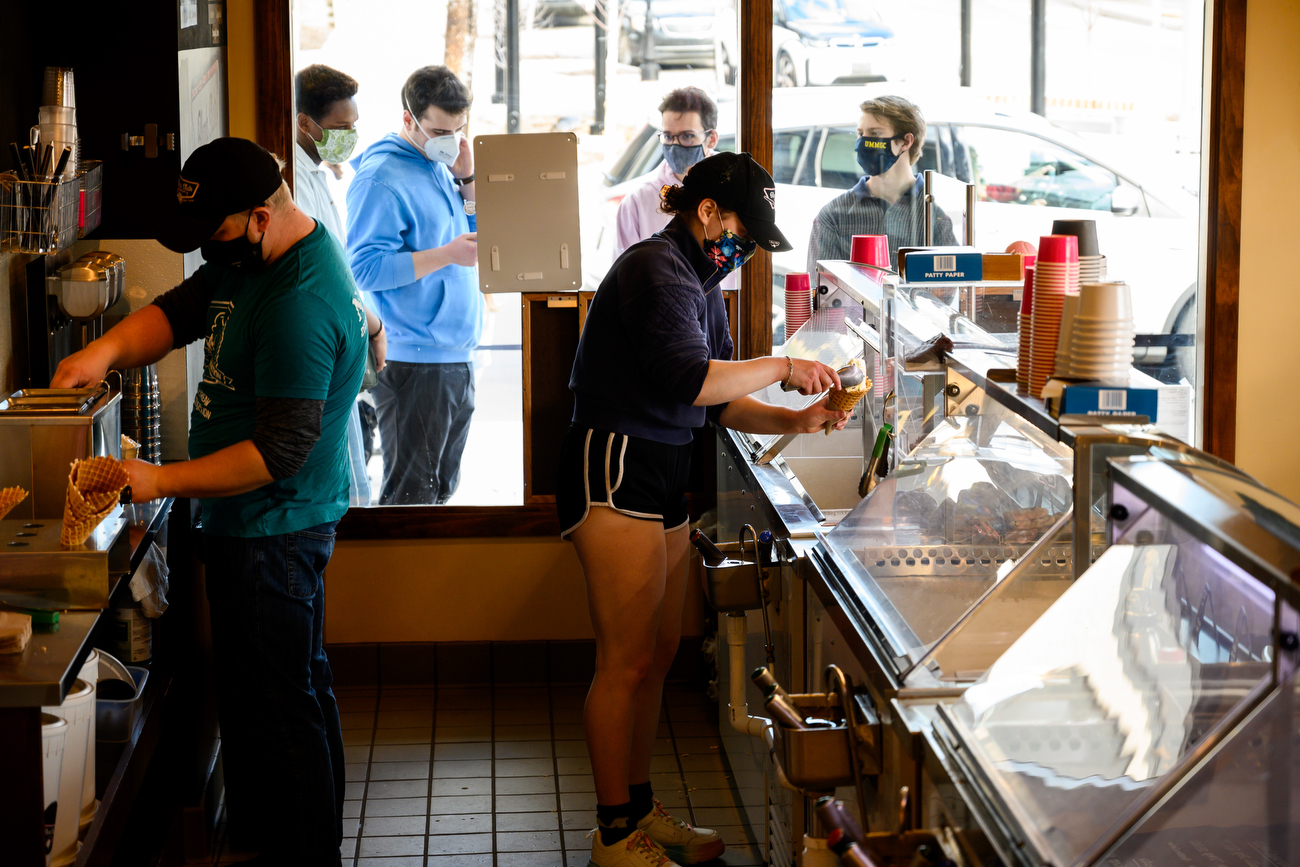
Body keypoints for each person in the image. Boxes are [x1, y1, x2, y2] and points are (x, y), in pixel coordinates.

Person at [51, 138, 366, 867]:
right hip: (258, 526)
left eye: (217, 234)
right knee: (292, 693)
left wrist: (158, 480)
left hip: (274, 530)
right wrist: (101, 353)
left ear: (261, 215)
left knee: (281, 710)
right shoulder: (247, 261)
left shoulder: (298, 301)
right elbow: (182, 310)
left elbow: (275, 452)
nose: (208, 253)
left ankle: (305, 854)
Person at [561, 151, 848, 867]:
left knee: (657, 654)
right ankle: (612, 833)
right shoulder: (656, 268)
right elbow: (692, 379)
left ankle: (637, 806)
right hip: (616, 465)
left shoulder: (699, 279)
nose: (744, 249)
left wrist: (798, 421)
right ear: (708, 213)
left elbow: (718, 398)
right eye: (743, 232)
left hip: (665, 469)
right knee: (623, 658)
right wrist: (784, 364)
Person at [346, 65, 481, 505]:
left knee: (440, 491)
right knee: (411, 498)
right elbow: (364, 268)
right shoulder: (381, 178)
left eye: (459, 130)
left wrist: (467, 181)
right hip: (415, 360)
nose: (452, 141)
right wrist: (445, 255)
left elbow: (474, 240)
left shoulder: (438, 164)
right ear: (408, 119)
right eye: (440, 130)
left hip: (455, 356)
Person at [294, 62, 386, 506]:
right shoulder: (291, 182)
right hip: (320, 351)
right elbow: (322, 274)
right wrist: (371, 324)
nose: (349, 135)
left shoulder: (316, 172)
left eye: (353, 125)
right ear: (304, 123)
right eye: (339, 127)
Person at [807, 95, 956, 273]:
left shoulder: (934, 215)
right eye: (861, 133)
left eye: (875, 133)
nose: (863, 142)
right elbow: (822, 291)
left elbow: (948, 289)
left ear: (906, 141)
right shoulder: (834, 215)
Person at [612, 87, 733, 289]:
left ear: (711, 138)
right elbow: (624, 280)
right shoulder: (638, 201)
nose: (675, 145)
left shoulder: (734, 192)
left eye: (687, 137)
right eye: (668, 137)